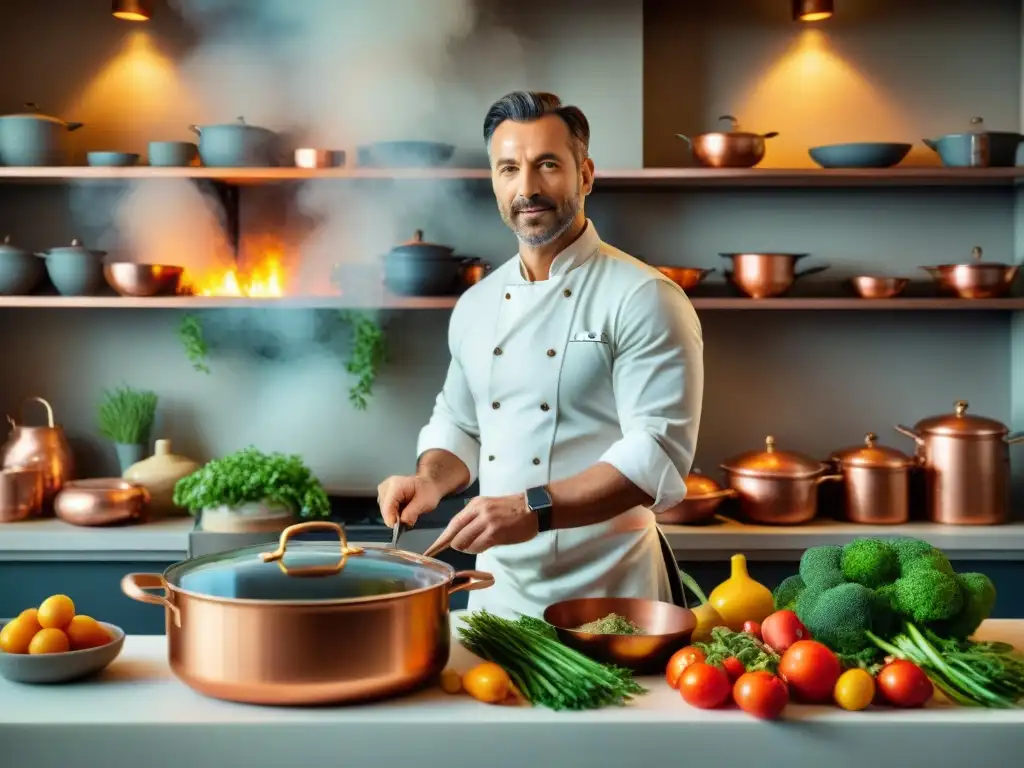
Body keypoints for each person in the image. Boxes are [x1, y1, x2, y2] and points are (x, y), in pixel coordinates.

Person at [377, 90, 704, 618]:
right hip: (497, 594)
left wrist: (533, 508)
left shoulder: (644, 297)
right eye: (509, 168)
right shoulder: (477, 304)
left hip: (612, 594)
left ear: (586, 174)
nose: (526, 188)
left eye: (547, 165)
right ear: (494, 181)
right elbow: (460, 424)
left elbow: (655, 456)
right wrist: (429, 481)